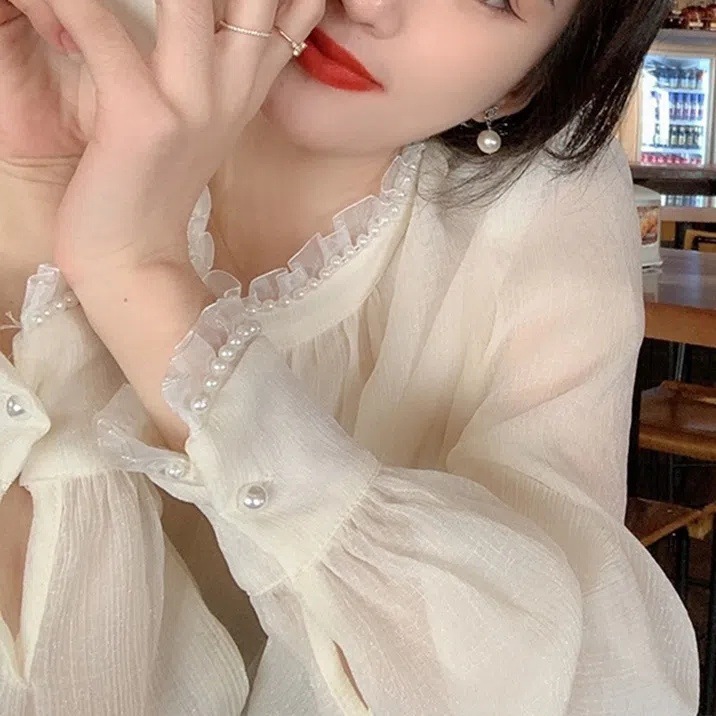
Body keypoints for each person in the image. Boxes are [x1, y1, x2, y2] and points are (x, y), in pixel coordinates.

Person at [0, 0, 700, 712]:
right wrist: (35, 194)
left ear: (525, 83)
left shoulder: (540, 213)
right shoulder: (63, 51)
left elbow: (553, 681)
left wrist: (137, 275)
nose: (366, 6)